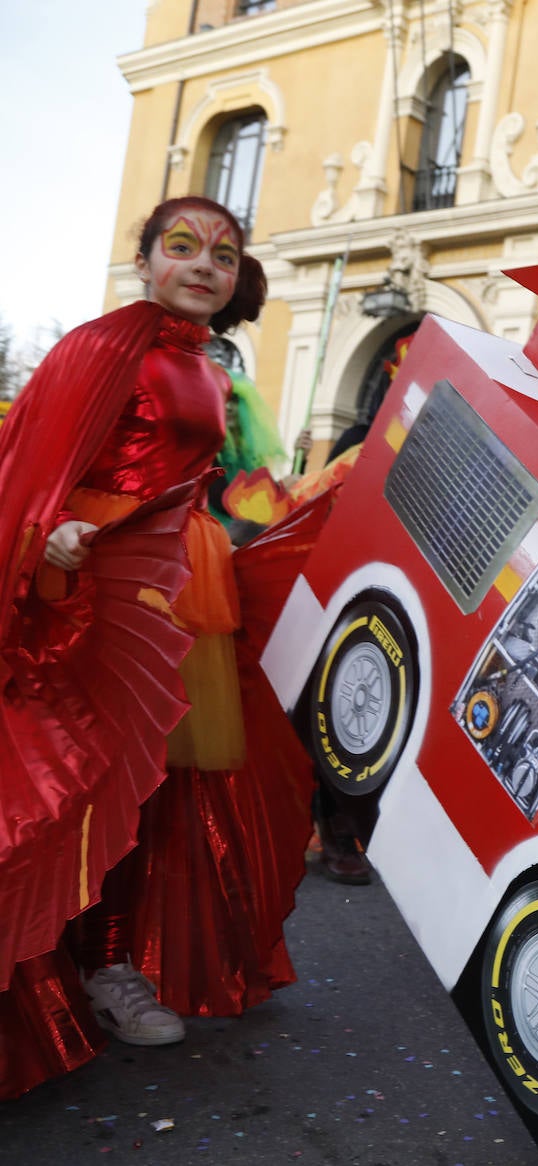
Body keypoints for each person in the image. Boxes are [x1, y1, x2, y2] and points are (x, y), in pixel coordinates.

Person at [0, 196, 313, 1098]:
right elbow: (33, 459)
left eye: (223, 253)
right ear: (143, 261)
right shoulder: (103, 346)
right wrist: (47, 529)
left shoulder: (212, 367)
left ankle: (108, 968)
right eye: (181, 247)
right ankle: (57, 966)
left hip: (182, 587)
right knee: (73, 786)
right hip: (92, 587)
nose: (204, 265)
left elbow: (208, 487)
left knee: (151, 793)